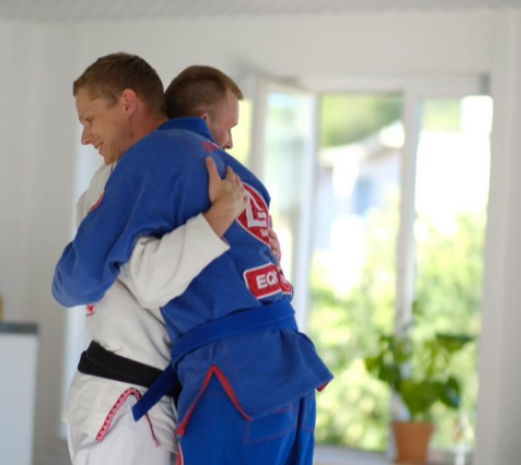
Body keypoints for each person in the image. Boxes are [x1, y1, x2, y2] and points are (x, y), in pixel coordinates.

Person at [53, 53, 332, 464]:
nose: (85, 137)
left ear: (127, 102)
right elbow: (135, 281)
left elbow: (89, 281)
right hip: (158, 387)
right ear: (202, 119)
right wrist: (219, 220)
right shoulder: (216, 176)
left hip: (168, 390)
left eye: (89, 120)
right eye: (229, 127)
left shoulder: (153, 164)